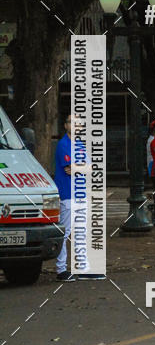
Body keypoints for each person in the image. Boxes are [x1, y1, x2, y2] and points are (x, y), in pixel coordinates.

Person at [54, 114, 74, 281]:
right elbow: (68, 168)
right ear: (65, 125)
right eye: (70, 122)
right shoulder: (63, 145)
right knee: (65, 232)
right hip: (67, 194)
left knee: (80, 233)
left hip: (79, 194)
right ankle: (61, 269)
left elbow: (90, 168)